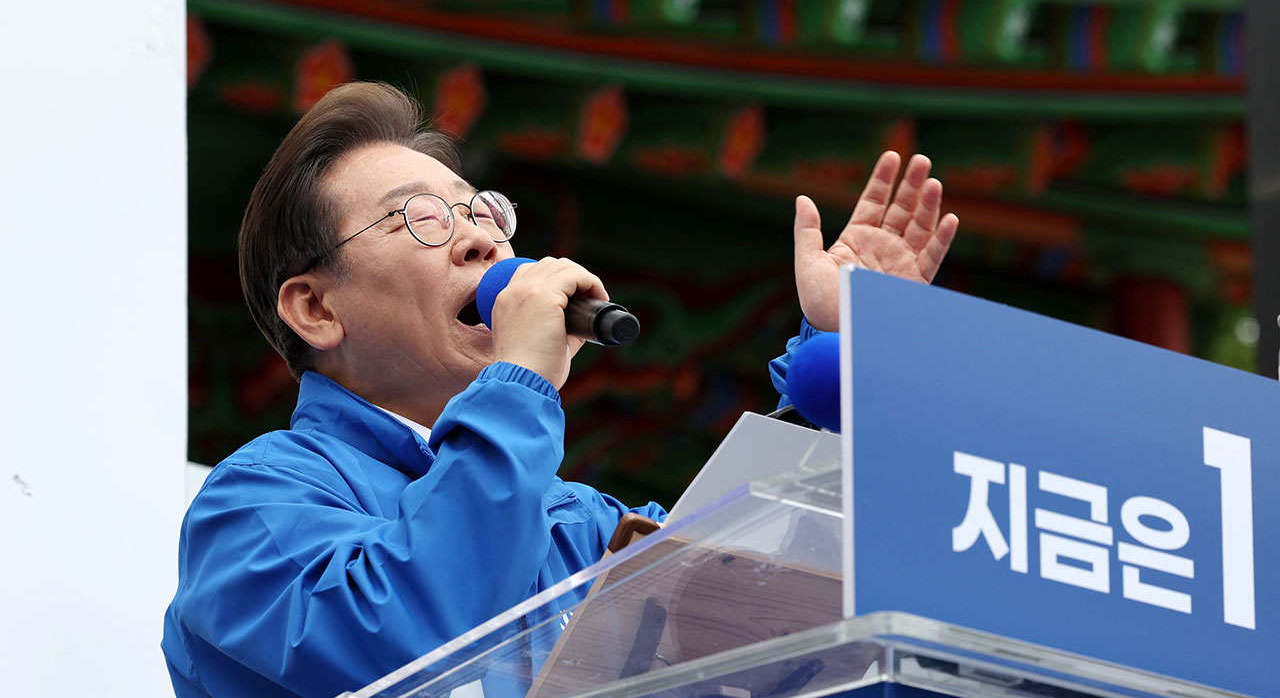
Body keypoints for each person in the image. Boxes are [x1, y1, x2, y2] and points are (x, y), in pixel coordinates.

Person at [161, 82, 958, 698]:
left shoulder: (583, 525)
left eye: (483, 213)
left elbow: (775, 634)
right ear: (316, 307)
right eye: (419, 220)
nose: (480, 236)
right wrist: (519, 381)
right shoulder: (254, 508)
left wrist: (847, 369)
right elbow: (419, 641)